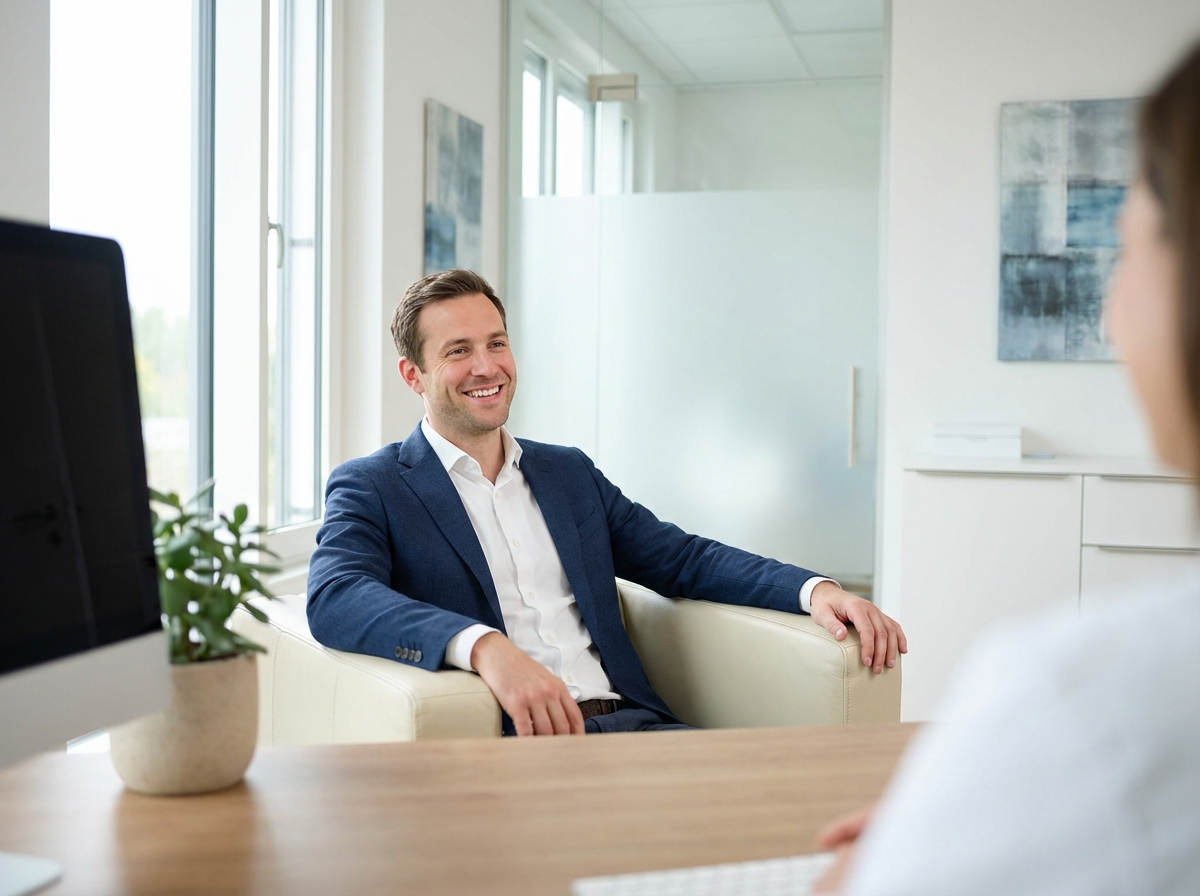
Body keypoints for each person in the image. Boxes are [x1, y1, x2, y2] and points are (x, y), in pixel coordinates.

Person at [814, 40, 1200, 895]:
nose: (1110, 316)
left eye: (1129, 255)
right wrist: (988, 814)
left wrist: (893, 863)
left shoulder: (1072, 692)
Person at [307, 269, 906, 736]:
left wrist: (814, 591)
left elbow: (682, 559)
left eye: (496, 343)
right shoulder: (373, 485)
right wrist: (482, 646)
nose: (486, 367)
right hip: (516, 744)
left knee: (790, 817)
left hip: (637, 726)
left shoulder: (566, 473)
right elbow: (336, 595)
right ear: (413, 374)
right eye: (458, 351)